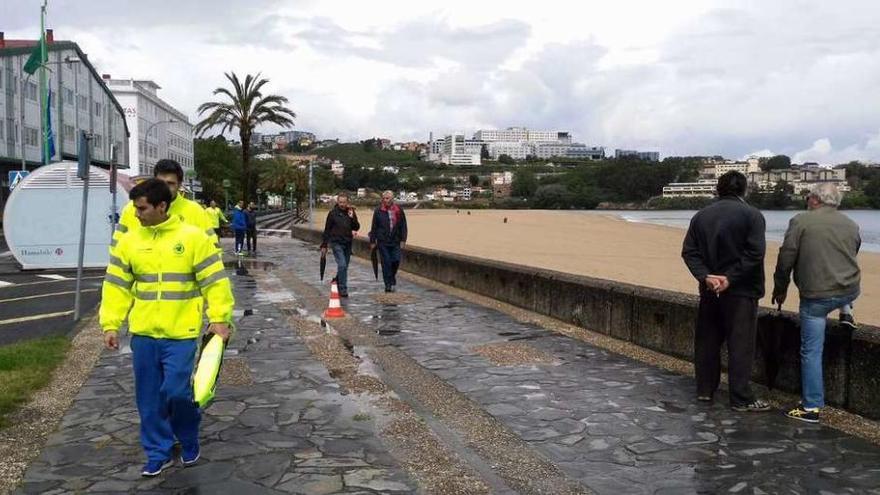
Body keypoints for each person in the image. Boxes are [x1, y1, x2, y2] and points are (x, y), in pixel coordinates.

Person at [100, 178, 234, 477]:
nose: (136, 214)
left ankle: (187, 438)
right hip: (144, 334)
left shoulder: (193, 239)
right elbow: (116, 287)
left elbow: (215, 282)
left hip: (181, 334)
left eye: (142, 208)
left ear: (162, 206)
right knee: (148, 399)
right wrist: (110, 324)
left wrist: (220, 318)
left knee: (176, 392)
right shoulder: (129, 242)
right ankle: (157, 452)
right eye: (135, 208)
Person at [681, 171, 770, 412]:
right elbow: (754, 253)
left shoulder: (701, 216)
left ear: (718, 189)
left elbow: (690, 252)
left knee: (708, 341)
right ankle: (740, 397)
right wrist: (730, 279)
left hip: (710, 289)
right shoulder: (753, 215)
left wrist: (706, 276)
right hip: (742, 290)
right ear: (744, 190)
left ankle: (704, 390)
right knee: (740, 344)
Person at [772, 183, 861, 423]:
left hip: (816, 297)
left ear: (815, 200)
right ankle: (847, 311)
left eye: (808, 197)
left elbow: (786, 257)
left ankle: (811, 407)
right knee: (847, 290)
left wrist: (780, 288)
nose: (807, 200)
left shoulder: (801, 221)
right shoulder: (851, 224)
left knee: (811, 350)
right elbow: (854, 249)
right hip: (850, 289)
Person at [113, 159, 219, 255]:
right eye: (161, 183)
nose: (164, 188)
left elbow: (213, 249)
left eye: (170, 183)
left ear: (179, 184)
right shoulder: (131, 209)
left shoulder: (195, 210)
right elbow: (117, 247)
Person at [320, 193, 360, 297]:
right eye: (340, 202)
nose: (342, 204)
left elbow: (356, 227)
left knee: (344, 267)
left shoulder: (351, 212)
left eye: (344, 202)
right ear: (337, 202)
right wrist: (324, 245)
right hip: (336, 242)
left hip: (348, 243)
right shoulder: (332, 214)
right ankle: (343, 288)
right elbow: (327, 230)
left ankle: (337, 279)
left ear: (347, 202)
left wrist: (352, 217)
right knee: (342, 265)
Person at [369, 190, 407, 293]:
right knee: (386, 263)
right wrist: (372, 241)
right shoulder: (378, 211)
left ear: (392, 199)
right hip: (383, 241)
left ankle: (392, 277)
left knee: (396, 260)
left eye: (387, 198)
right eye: (384, 198)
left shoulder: (399, 210)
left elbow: (403, 226)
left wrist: (403, 239)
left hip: (395, 241)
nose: (385, 200)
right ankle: (388, 284)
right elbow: (374, 227)